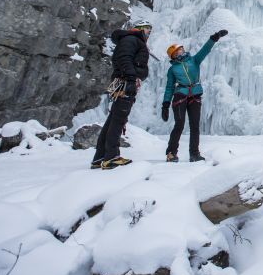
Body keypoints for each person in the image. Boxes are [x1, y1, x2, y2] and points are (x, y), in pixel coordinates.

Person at [93, 20, 152, 169]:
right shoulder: (132, 39)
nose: (148, 33)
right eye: (147, 30)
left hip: (124, 82)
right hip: (126, 83)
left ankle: (100, 157)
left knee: (113, 119)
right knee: (118, 119)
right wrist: (131, 78)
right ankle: (111, 157)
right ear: (139, 29)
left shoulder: (130, 40)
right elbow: (124, 58)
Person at [162, 29, 228, 162]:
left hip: (195, 96)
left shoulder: (194, 60)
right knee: (179, 125)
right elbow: (169, 87)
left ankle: (194, 154)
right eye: (178, 51)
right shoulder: (173, 69)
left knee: (195, 125)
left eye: (181, 49)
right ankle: (171, 153)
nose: (181, 51)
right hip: (180, 97)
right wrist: (165, 104)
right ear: (173, 56)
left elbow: (205, 50)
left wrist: (214, 38)